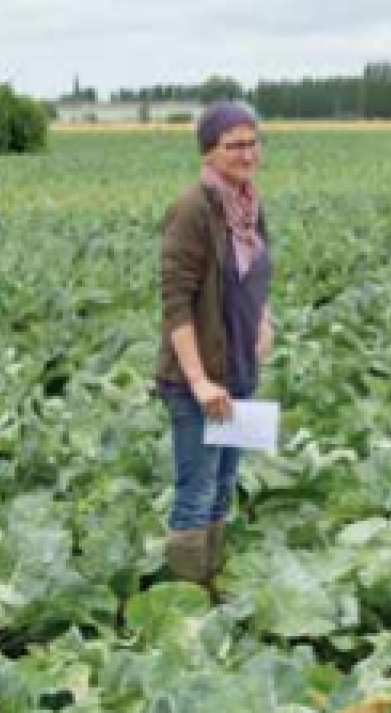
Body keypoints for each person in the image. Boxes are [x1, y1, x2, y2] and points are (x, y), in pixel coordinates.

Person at [154, 101, 274, 596]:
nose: (246, 154)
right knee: (197, 491)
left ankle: (212, 584)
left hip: (238, 369)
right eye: (234, 145)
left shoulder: (247, 203)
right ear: (209, 153)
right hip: (196, 380)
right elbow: (176, 303)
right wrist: (200, 381)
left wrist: (264, 318)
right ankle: (185, 601)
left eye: (252, 143)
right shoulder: (193, 208)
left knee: (224, 486)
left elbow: (254, 274)